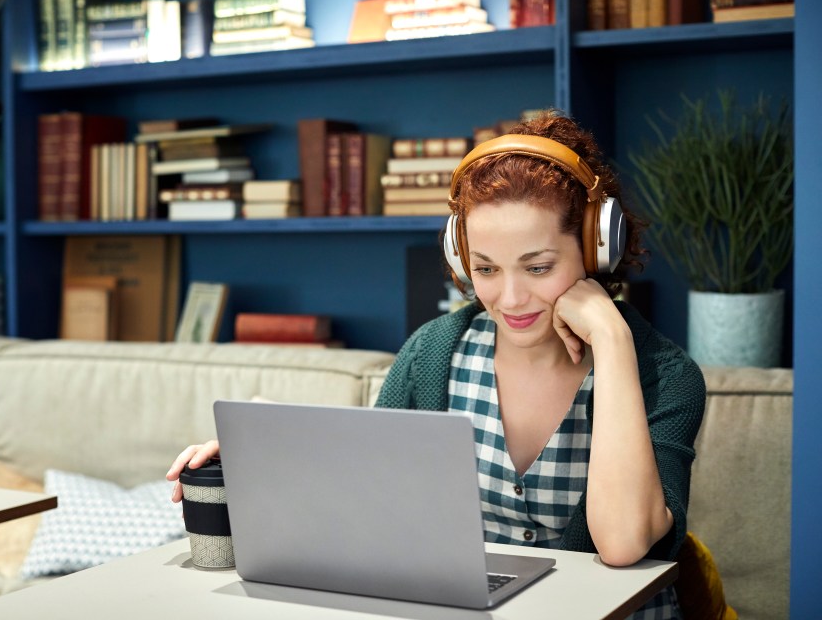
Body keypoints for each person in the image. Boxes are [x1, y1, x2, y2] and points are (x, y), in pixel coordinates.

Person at [167, 111, 705, 620]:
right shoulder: (434, 353)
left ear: (595, 249)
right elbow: (369, 498)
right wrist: (261, 460)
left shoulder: (666, 376)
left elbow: (624, 543)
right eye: (486, 269)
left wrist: (611, 338)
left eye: (539, 267)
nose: (511, 298)